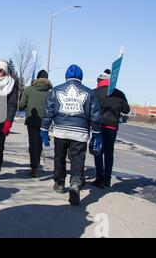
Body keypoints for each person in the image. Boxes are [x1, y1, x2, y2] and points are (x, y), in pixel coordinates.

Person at [41, 65, 102, 206]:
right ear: (81, 77)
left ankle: (60, 182)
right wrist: (96, 133)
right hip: (80, 133)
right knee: (77, 159)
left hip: (61, 130)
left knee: (59, 157)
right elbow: (95, 115)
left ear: (66, 76)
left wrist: (44, 128)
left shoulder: (56, 90)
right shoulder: (89, 92)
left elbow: (48, 111)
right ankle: (75, 182)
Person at [92, 69, 130, 189]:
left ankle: (100, 178)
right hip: (112, 127)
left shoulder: (95, 93)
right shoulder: (119, 93)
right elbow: (126, 110)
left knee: (98, 151)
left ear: (100, 80)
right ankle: (107, 180)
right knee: (109, 153)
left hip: (99, 126)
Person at [19, 70, 52, 178]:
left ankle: (34, 167)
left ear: (37, 78)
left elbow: (21, 105)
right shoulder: (51, 92)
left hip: (32, 120)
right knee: (39, 143)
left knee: (33, 143)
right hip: (45, 121)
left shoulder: (29, 90)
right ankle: (36, 163)